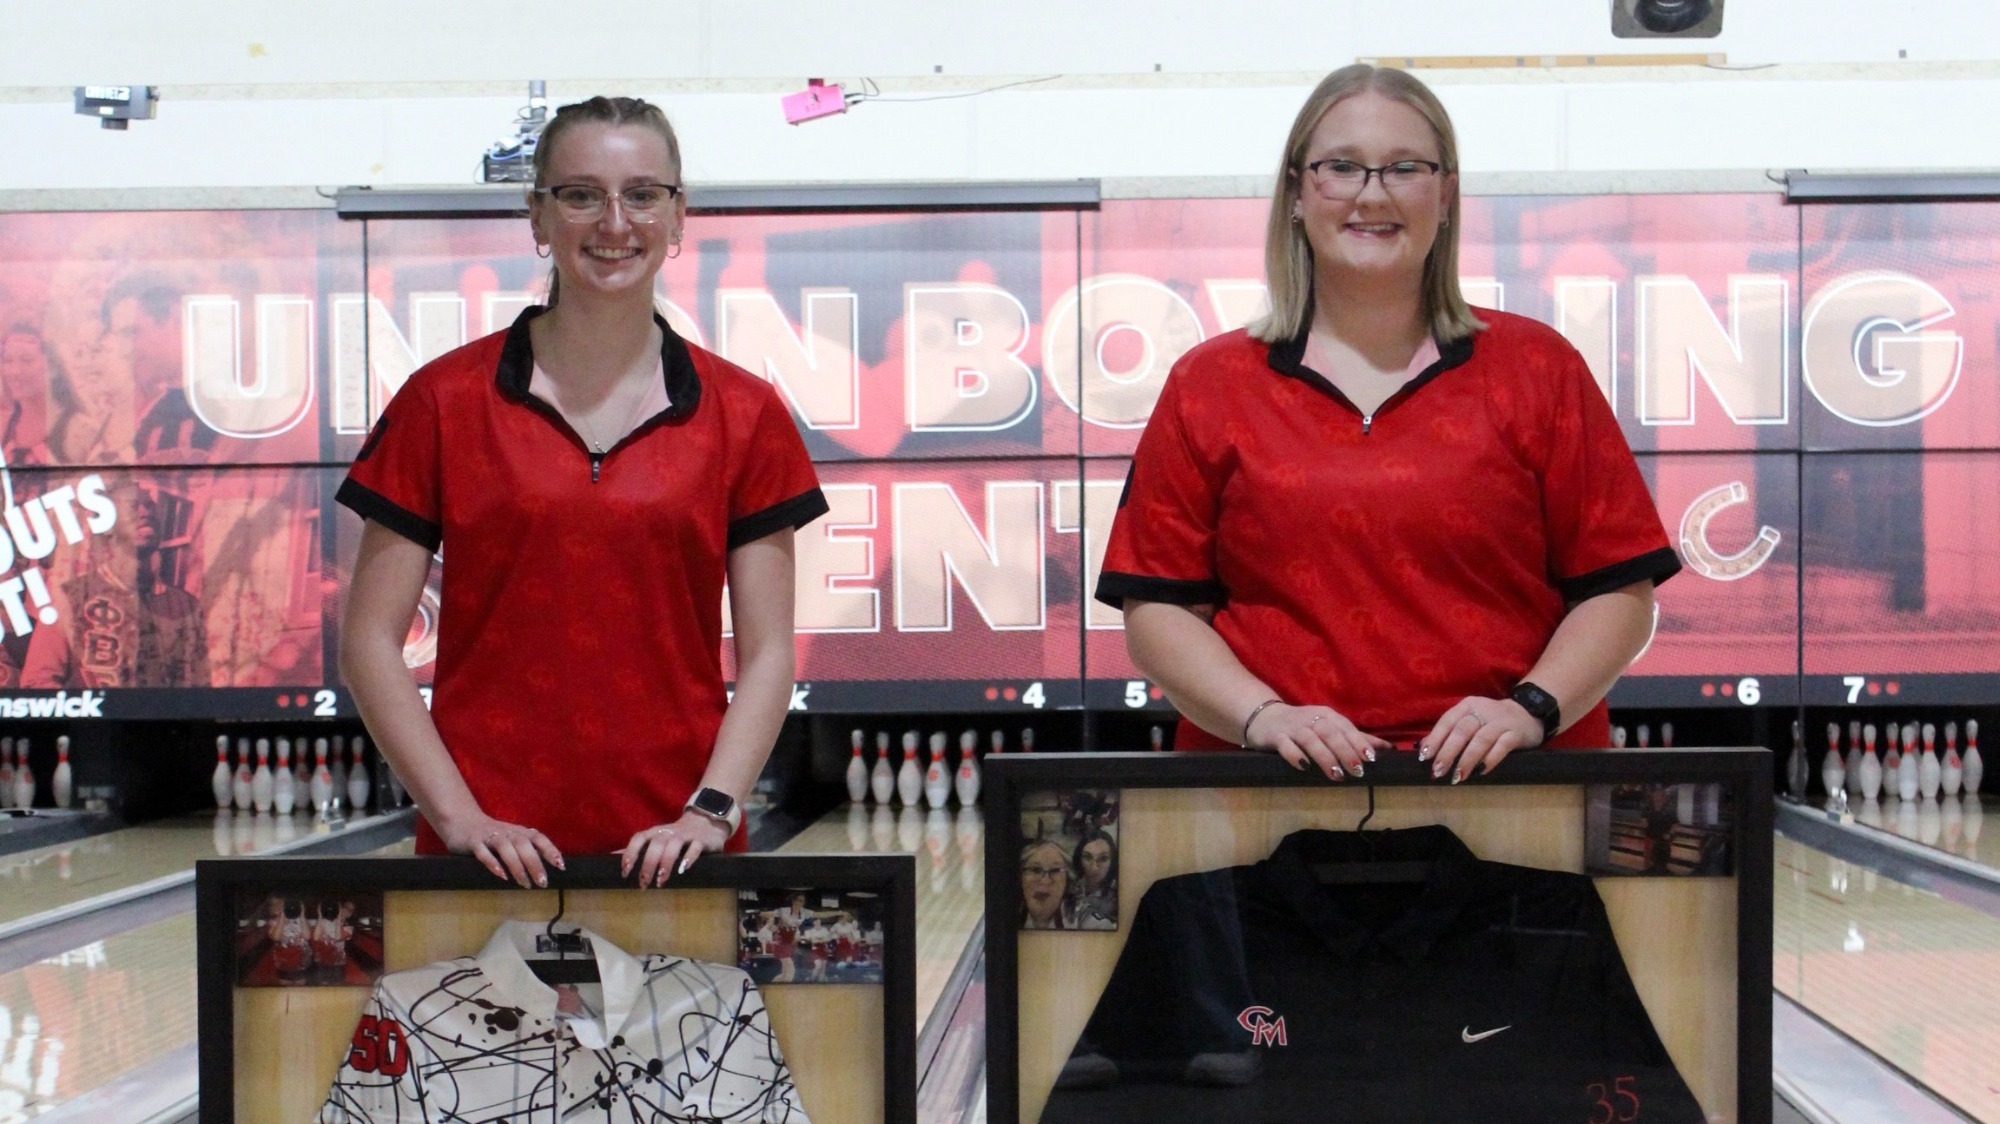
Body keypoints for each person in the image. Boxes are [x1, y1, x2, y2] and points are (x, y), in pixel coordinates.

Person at [1096, 65, 1678, 785]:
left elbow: (1620, 592)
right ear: (1298, 194)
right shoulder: (1207, 385)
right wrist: (1265, 716)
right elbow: (1158, 608)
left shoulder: (1541, 368)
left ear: (1446, 193)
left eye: (1405, 167)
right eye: (1341, 166)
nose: (1373, 194)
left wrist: (1530, 709)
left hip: (1518, 793)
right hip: (1263, 791)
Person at [337, 96, 827, 889]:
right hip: (486, 856)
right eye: (579, 194)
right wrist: (459, 817)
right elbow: (368, 641)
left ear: (677, 216)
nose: (613, 222)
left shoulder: (746, 414)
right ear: (538, 216)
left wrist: (710, 809)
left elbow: (770, 651)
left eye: (642, 194)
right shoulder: (442, 402)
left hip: (679, 852)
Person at [1020, 840, 1078, 930]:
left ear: (1068, 880)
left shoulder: (1086, 920)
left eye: (1055, 870)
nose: (1045, 881)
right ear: (1021, 878)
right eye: (1035, 870)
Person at [1072, 830, 1118, 929]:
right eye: (1087, 857)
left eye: (1103, 859)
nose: (1094, 867)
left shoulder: (1118, 895)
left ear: (1112, 861)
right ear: (1079, 859)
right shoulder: (1068, 885)